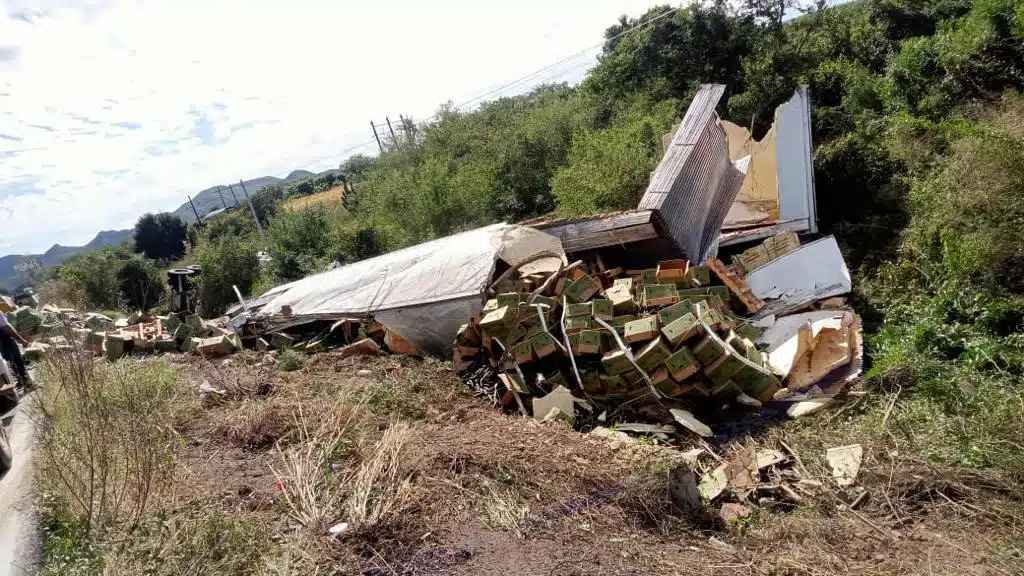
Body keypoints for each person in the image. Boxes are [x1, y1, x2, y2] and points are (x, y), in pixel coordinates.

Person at [0, 311, 31, 389]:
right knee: (15, 361)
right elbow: (6, 328)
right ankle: (24, 382)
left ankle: (19, 383)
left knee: (9, 364)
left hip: (3, 343)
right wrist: (22, 340)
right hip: (5, 341)